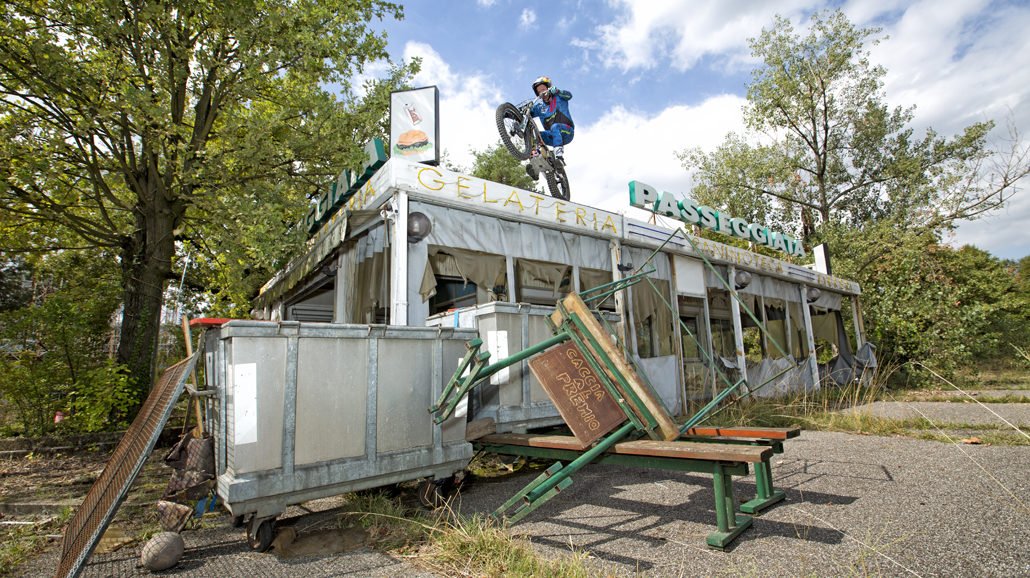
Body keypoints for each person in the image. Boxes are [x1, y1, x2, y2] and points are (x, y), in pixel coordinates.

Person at [529, 76, 574, 162]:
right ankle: (538, 158)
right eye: (539, 92)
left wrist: (558, 91)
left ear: (549, 87)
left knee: (555, 126)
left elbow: (569, 96)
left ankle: (559, 158)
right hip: (552, 137)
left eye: (543, 89)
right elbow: (528, 115)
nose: (542, 92)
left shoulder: (559, 97)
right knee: (536, 134)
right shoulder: (539, 107)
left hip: (567, 132)